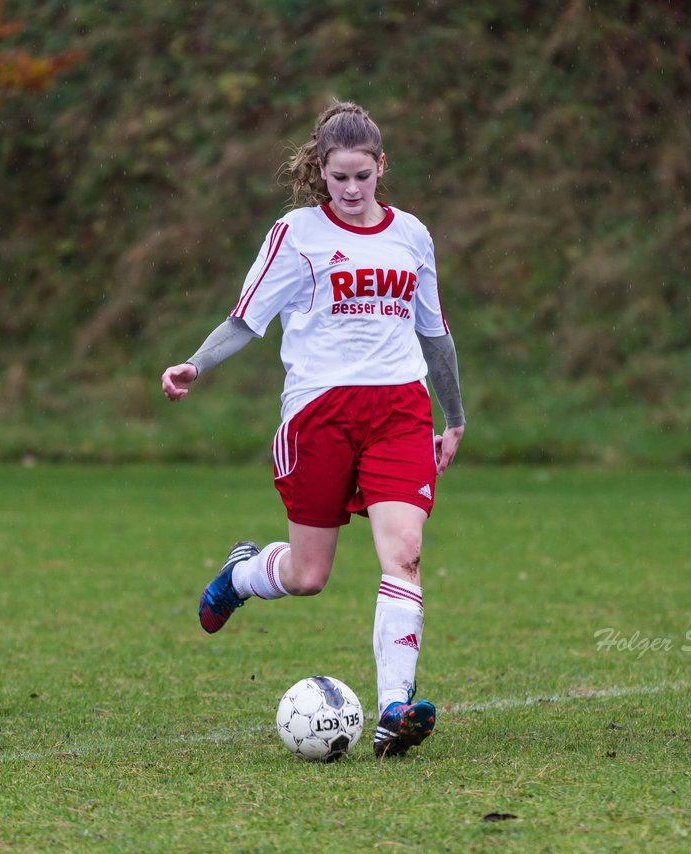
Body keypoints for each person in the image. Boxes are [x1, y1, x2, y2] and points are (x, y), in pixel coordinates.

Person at [161, 101, 465, 758]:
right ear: (320, 171)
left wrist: (455, 416)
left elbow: (435, 333)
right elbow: (245, 320)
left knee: (405, 553)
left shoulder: (412, 235)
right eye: (340, 178)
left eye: (363, 176)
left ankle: (394, 709)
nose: (352, 190)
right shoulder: (295, 234)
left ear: (382, 167)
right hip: (319, 415)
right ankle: (242, 573)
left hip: (400, 412)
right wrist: (195, 362)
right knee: (307, 575)